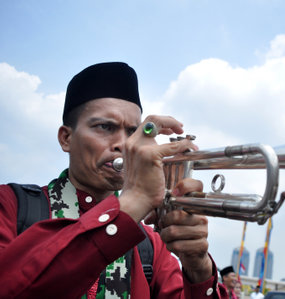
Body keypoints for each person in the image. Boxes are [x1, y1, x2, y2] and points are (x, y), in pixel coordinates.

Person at [0, 62, 228, 298]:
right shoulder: (10, 205)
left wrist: (198, 268)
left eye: (132, 132)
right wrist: (134, 202)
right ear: (66, 138)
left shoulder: (150, 244)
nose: (125, 145)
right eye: (105, 127)